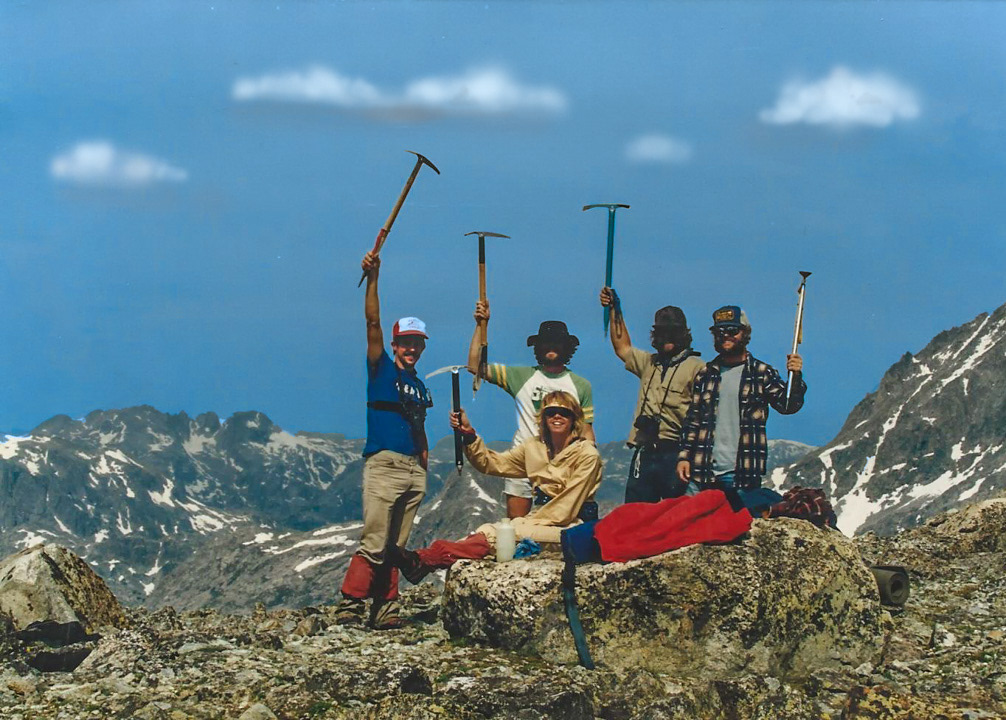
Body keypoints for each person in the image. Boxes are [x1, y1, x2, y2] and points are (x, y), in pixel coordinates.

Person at [389, 391, 602, 583]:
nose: (557, 417)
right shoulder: (534, 448)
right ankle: (423, 562)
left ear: (574, 418)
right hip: (540, 520)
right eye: (551, 412)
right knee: (486, 533)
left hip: (573, 527)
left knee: (499, 534)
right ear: (543, 418)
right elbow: (493, 463)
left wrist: (522, 524)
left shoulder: (586, 454)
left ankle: (423, 559)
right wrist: (469, 435)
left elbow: (566, 507)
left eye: (564, 412)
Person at [335, 250, 433, 630]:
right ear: (394, 344)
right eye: (405, 342)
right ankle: (350, 605)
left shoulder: (419, 386)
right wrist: (374, 278)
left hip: (412, 469)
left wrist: (423, 462)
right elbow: (372, 321)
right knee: (375, 540)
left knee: (395, 546)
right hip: (385, 464)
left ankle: (386, 610)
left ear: (423, 347)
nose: (411, 348)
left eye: (417, 343)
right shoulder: (380, 369)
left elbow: (420, 425)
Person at [467, 300, 594, 519]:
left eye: (557, 343)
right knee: (517, 526)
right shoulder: (521, 376)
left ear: (567, 347)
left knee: (556, 523)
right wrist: (481, 325)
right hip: (523, 457)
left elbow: (586, 430)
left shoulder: (580, 385)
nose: (551, 347)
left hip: (561, 463)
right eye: (545, 343)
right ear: (537, 347)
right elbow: (474, 366)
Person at [676, 305, 806, 499]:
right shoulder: (705, 374)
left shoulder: (761, 373)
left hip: (742, 473)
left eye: (732, 331)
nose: (725, 336)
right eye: (719, 332)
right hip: (700, 472)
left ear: (745, 333)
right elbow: (693, 420)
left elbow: (788, 406)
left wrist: (795, 376)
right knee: (690, 525)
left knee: (740, 527)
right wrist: (684, 457)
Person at [600, 287, 704, 503]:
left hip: (675, 452)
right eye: (662, 332)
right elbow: (622, 347)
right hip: (645, 449)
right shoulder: (649, 363)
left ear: (683, 334)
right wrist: (614, 310)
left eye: (673, 332)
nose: (667, 337)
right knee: (637, 512)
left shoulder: (697, 368)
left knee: (672, 515)